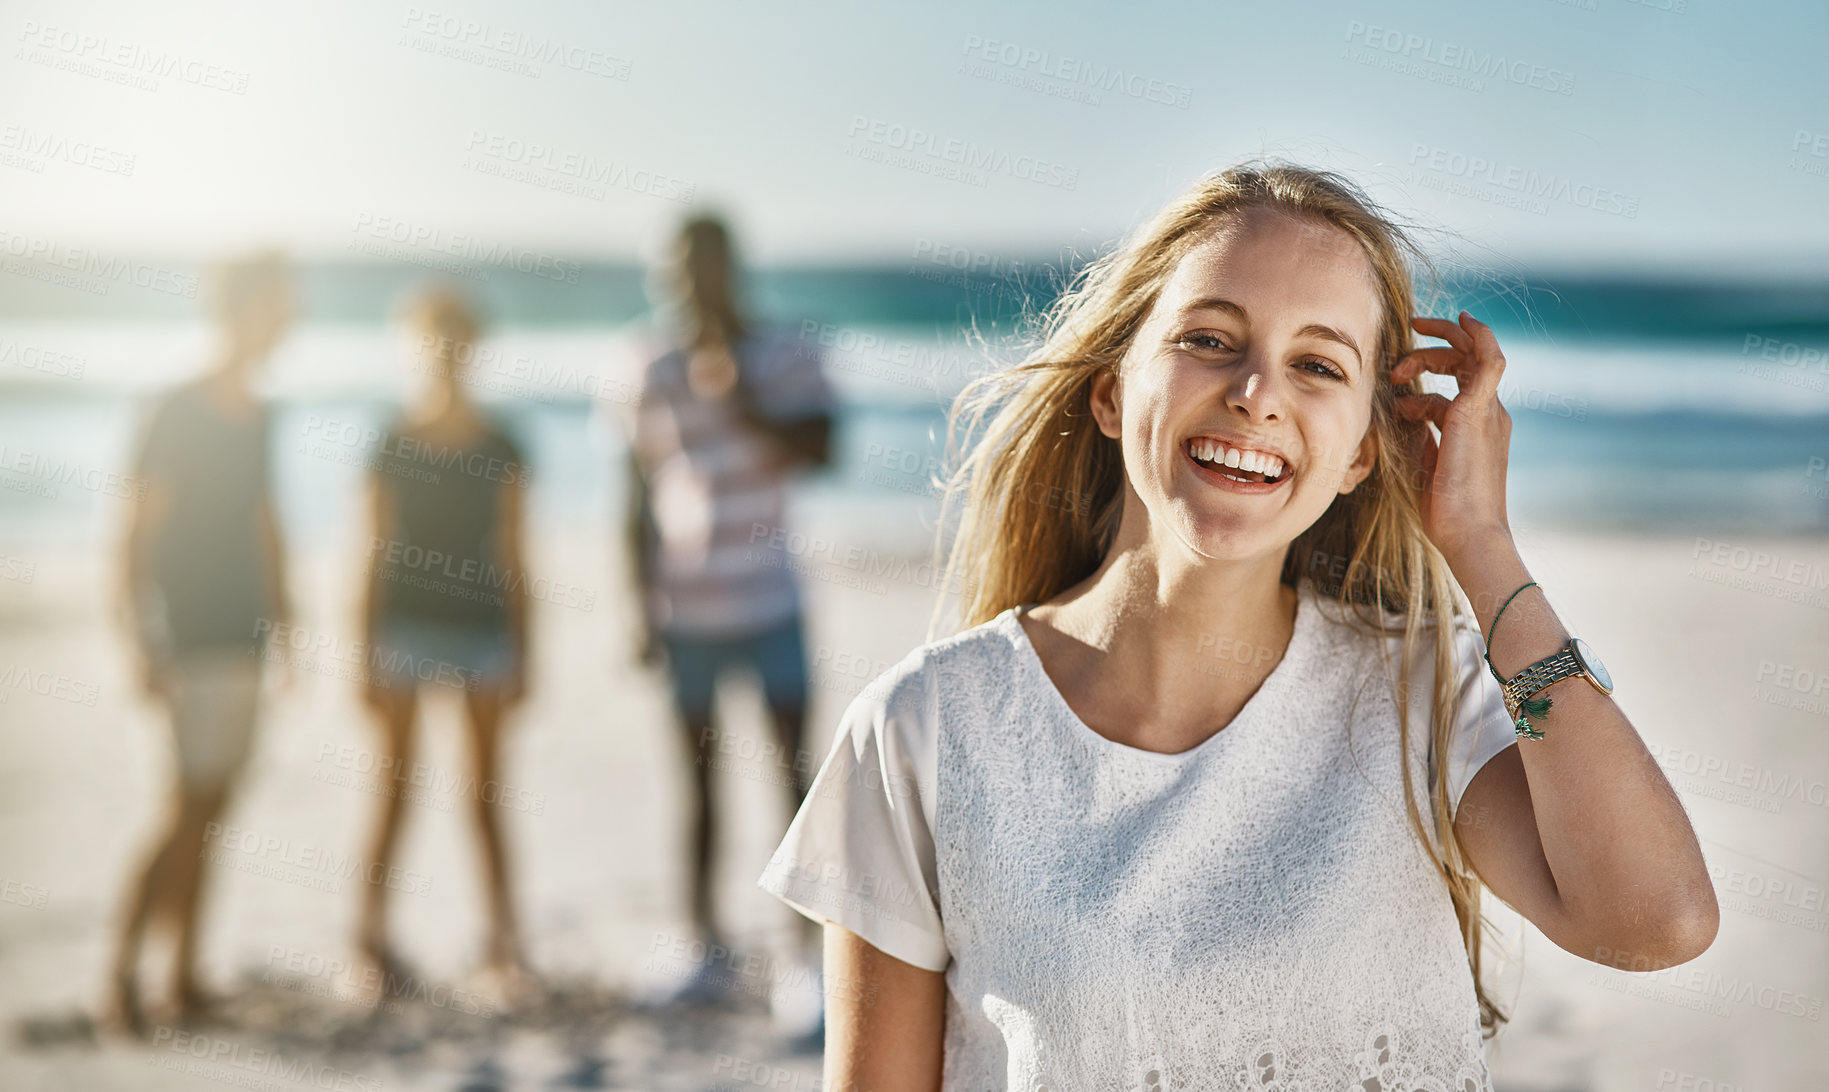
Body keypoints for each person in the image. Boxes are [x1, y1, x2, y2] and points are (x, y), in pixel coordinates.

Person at [756, 162, 1720, 1089]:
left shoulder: (1420, 690)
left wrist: (1480, 543)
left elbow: (1653, 922)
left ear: (1358, 456)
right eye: (1210, 340)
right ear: (1110, 390)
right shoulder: (923, 729)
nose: (1258, 393)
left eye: (1316, 364)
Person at [621, 213, 834, 1023]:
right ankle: (700, 946)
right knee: (696, 783)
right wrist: (638, 604)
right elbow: (634, 488)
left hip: (771, 599)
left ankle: (803, 962)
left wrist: (741, 399)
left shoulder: (787, 350)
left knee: (793, 779)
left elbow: (823, 447)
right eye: (674, 270)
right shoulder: (646, 361)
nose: (685, 284)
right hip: (686, 608)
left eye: (699, 268)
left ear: (728, 268)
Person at [107, 249, 293, 1032]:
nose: (291, 318)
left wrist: (288, 617)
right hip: (186, 636)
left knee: (215, 806)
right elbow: (133, 535)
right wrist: (139, 640)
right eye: (282, 301)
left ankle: (182, 976)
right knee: (182, 808)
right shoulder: (174, 410)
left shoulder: (259, 413)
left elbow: (262, 523)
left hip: (244, 635)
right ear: (242, 306)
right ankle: (119, 976)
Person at [355, 283, 532, 1000]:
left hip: (484, 630)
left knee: (484, 794)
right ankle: (368, 944)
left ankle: (502, 946)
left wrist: (528, 649)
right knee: (392, 790)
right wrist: (360, 650)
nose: (447, 355)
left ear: (475, 348)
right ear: (416, 347)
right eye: (434, 340)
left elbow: (517, 553)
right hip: (402, 625)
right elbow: (370, 549)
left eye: (458, 341)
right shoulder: (391, 442)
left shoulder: (502, 445)